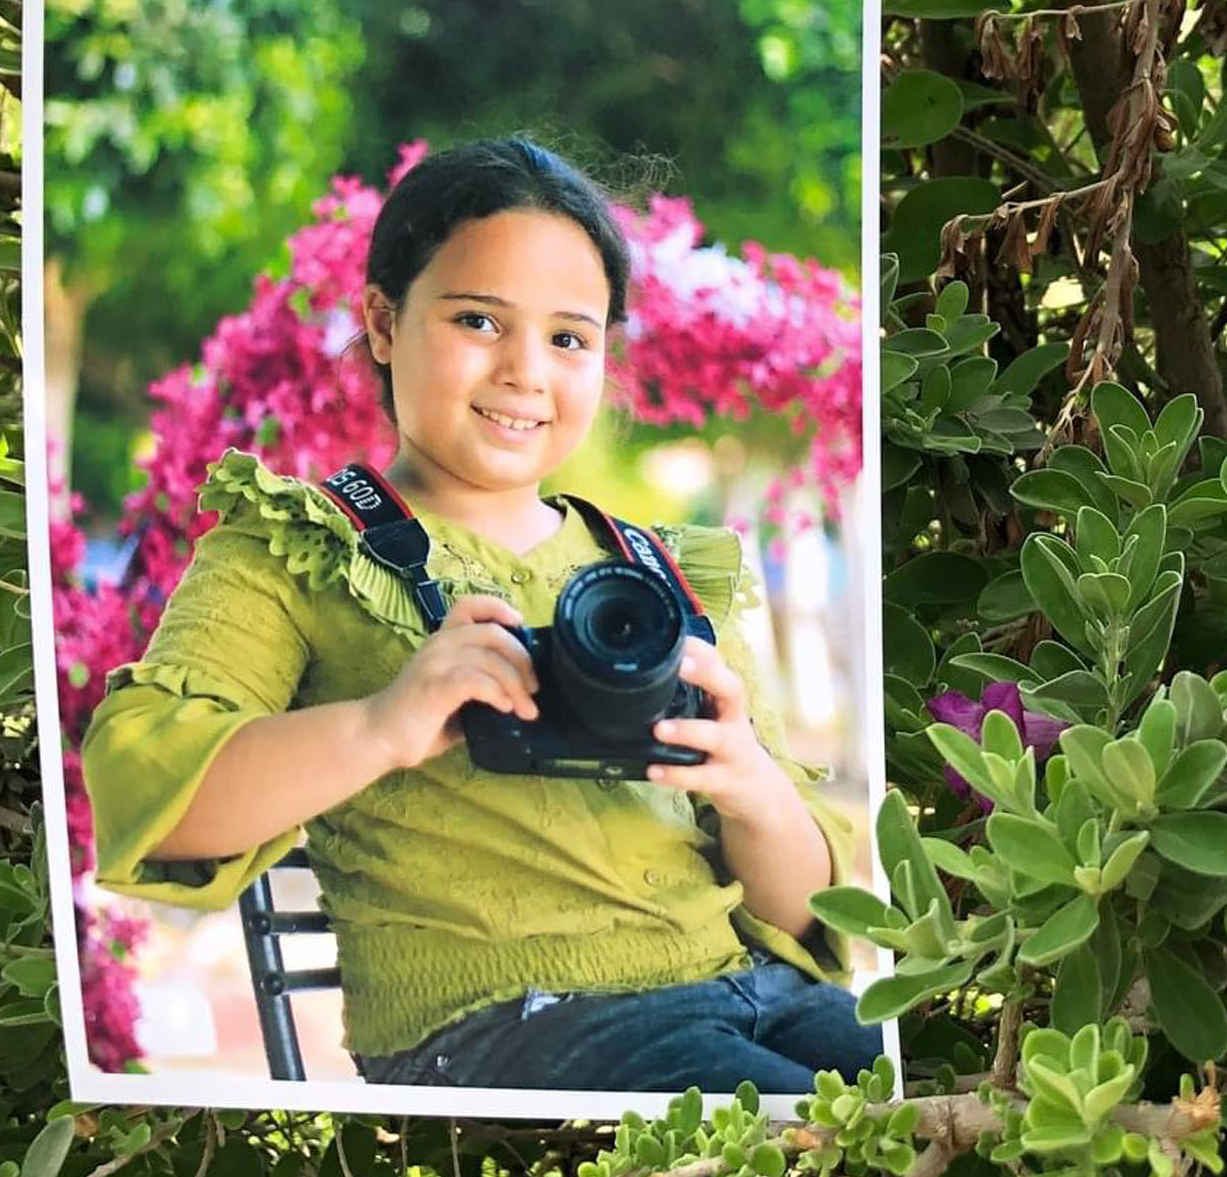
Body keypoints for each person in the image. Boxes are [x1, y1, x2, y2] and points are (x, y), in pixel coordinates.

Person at [82, 137, 884, 1095]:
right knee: (839, 1151)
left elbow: (804, 920)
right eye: (477, 320)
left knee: (941, 1106)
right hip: (509, 1025)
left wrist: (751, 785)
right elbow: (149, 796)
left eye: (569, 338)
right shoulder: (297, 546)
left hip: (757, 994)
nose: (525, 373)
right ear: (383, 321)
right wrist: (385, 724)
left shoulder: (655, 577)